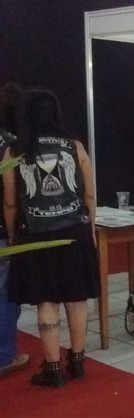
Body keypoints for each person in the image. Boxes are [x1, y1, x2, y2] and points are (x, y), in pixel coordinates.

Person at [2, 88, 99, 387]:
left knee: (46, 299)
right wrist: (90, 229)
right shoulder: (75, 146)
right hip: (75, 232)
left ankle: (53, 369)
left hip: (35, 234)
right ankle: (78, 361)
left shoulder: (15, 152)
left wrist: (13, 236)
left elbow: (10, 203)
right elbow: (89, 195)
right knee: (76, 297)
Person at [0, 82, 29, 378]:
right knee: (5, 295)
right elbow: (11, 199)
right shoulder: (12, 145)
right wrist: (13, 234)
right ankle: (4, 355)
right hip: (2, 231)